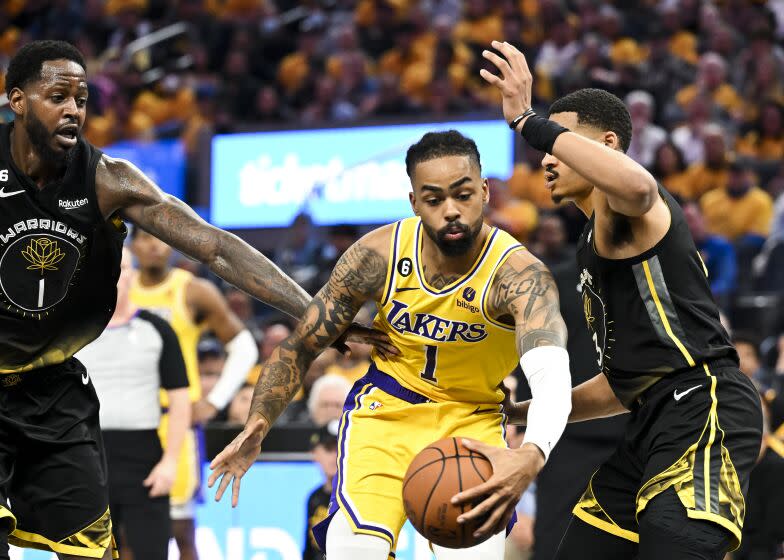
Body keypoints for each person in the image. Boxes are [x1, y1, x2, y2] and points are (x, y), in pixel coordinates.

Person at [0, 40, 390, 560]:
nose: (73, 109)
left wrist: (320, 314)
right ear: (17, 99)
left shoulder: (106, 179)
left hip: (52, 389)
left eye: (82, 98)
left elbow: (218, 248)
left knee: (91, 551)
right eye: (57, 96)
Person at [208, 129, 573, 560]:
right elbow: (300, 346)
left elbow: (552, 378)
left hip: (472, 422)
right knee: (353, 552)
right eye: (434, 200)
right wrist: (259, 423)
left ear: (485, 191)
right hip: (385, 414)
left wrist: (532, 452)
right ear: (414, 202)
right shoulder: (377, 255)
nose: (452, 211)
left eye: (464, 194)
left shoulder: (520, 276)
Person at [475, 40, 762, 559]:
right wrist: (524, 410)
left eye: (562, 142)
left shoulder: (631, 206)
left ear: (608, 145)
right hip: (648, 418)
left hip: (703, 406)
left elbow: (638, 185)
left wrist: (526, 119)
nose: (548, 157)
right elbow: (621, 383)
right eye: (547, 146)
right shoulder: (592, 244)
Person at [129, 227, 258, 560]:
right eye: (144, 237)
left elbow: (244, 347)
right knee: (123, 533)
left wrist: (215, 401)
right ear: (133, 245)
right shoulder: (118, 289)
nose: (154, 244)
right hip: (124, 424)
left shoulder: (192, 292)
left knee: (180, 532)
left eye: (160, 237)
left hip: (173, 422)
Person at [76, 248, 190, 560]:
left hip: (143, 457)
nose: (114, 274)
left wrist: (170, 463)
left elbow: (180, 400)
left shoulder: (157, 329)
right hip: (86, 454)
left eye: (121, 267)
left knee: (151, 551)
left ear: (132, 274)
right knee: (86, 554)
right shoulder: (73, 332)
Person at [303, 420, 340, 560]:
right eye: (328, 449)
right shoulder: (314, 498)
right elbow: (309, 549)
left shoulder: (355, 497)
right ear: (315, 453)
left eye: (339, 449)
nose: (335, 456)